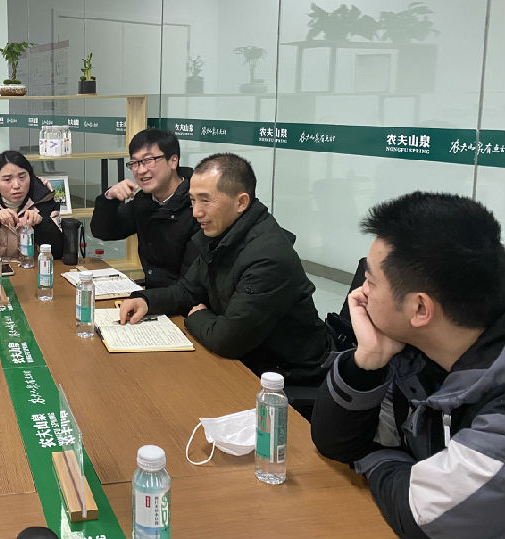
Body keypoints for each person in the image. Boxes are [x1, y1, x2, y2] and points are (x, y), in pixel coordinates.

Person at [311, 192, 504, 539]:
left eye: (371, 282)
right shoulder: (415, 350)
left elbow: (424, 515)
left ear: (420, 309)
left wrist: (376, 459)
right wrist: (367, 360)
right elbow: (336, 443)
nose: (360, 293)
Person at [119, 153, 330, 386]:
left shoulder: (268, 257)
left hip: (287, 377)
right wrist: (146, 301)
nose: (196, 212)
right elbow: (187, 290)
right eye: (192, 201)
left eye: (205, 200)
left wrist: (197, 316)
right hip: (248, 360)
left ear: (241, 203)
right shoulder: (220, 233)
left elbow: (228, 340)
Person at [90, 128, 199, 287]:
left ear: (173, 161)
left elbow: (191, 284)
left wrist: (145, 298)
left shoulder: (197, 205)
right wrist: (109, 198)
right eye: (134, 163)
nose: (141, 170)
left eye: (148, 160)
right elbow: (103, 231)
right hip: (154, 294)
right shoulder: (145, 201)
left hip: (183, 298)